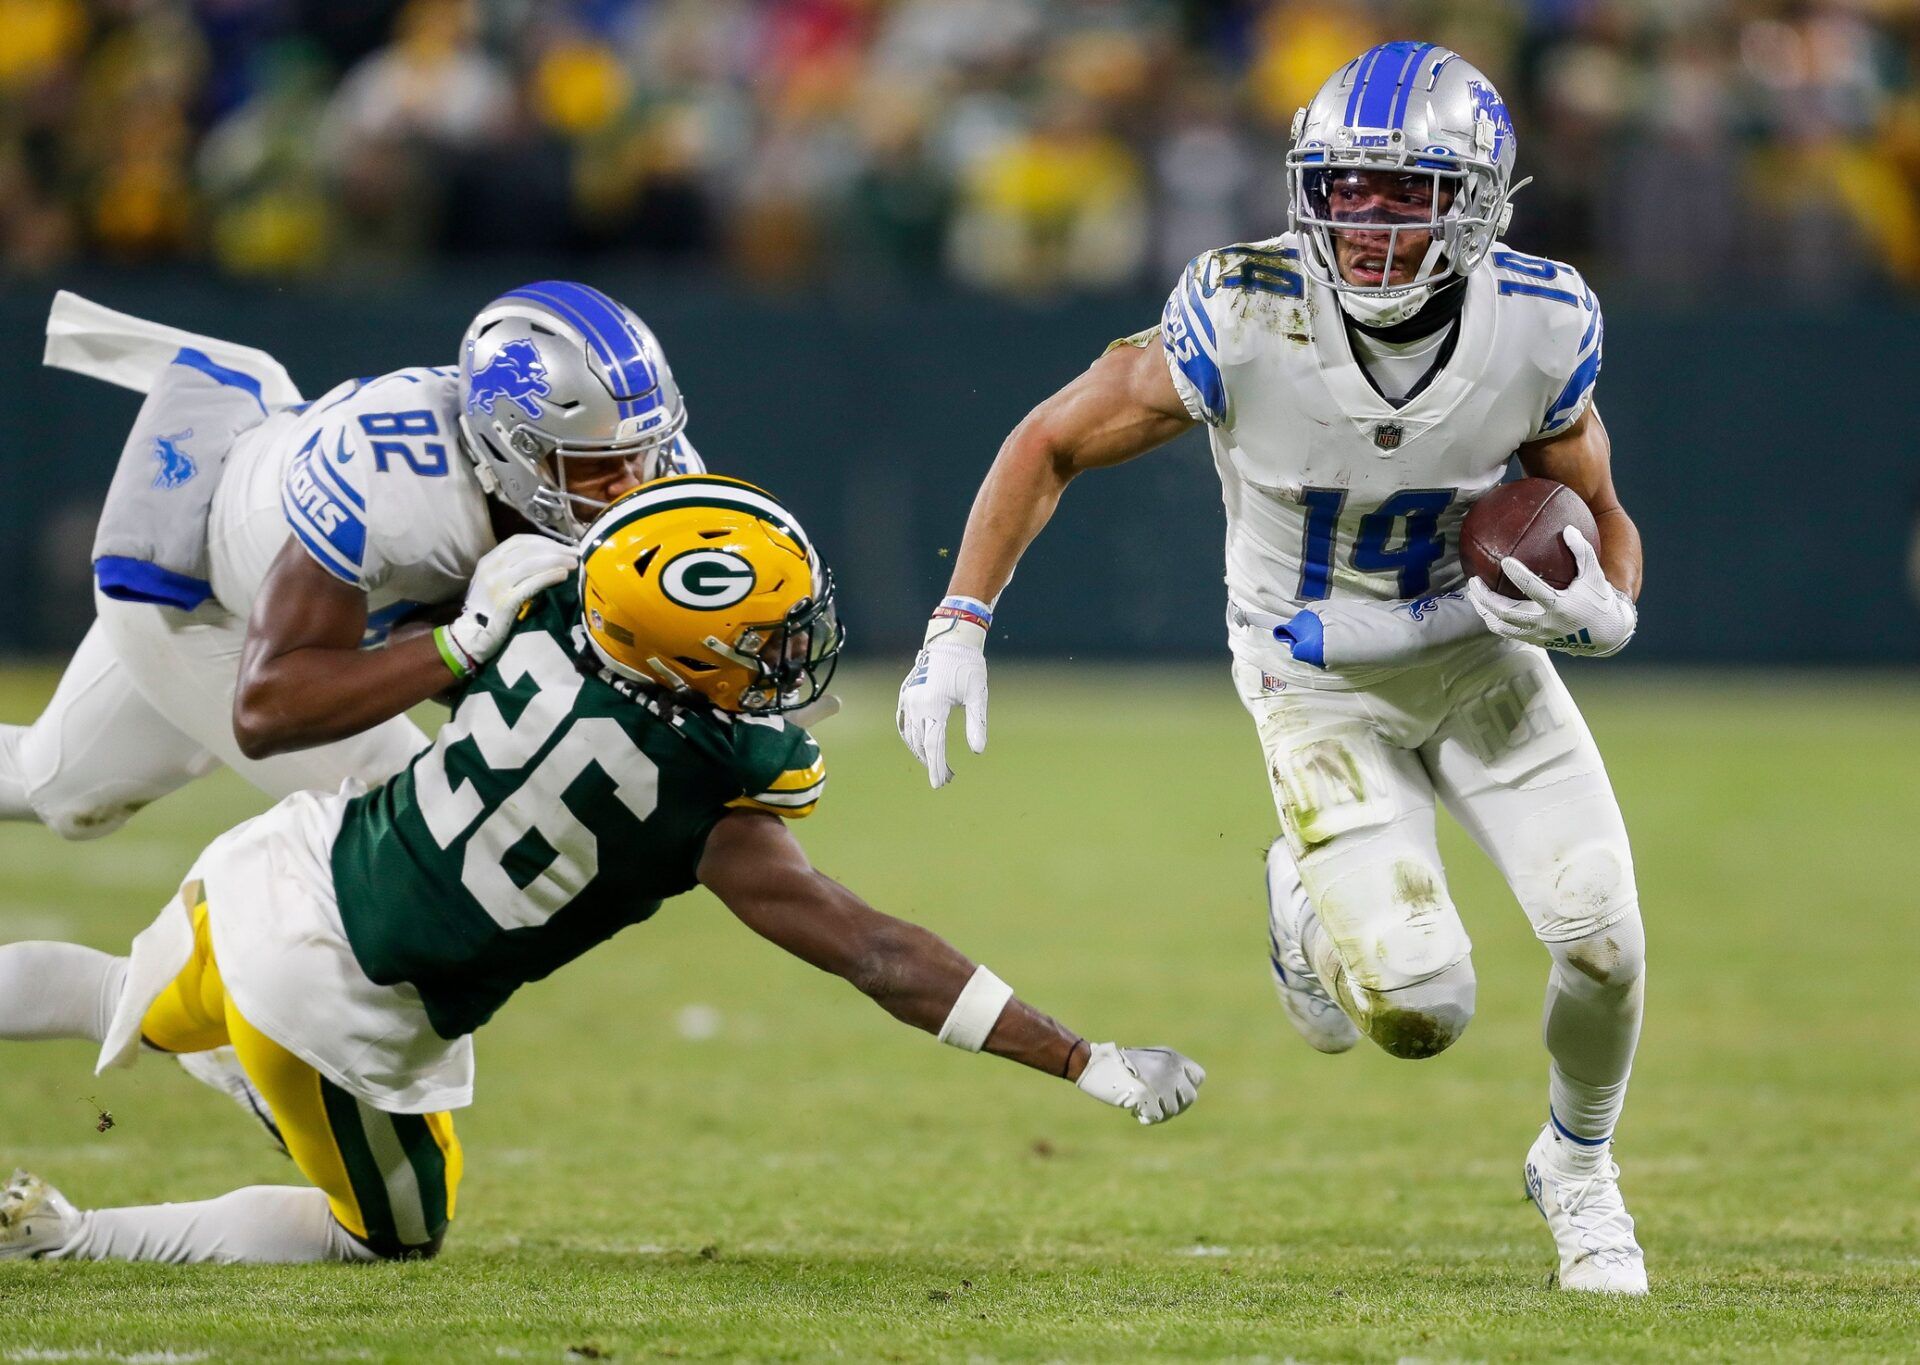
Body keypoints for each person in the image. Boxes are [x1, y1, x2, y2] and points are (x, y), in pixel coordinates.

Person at [0, 475, 1204, 1264]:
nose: (785, 662)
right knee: (388, 1238)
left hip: (276, 866)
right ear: (682, 654)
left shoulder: (549, 603)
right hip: (336, 1004)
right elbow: (876, 951)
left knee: (123, 995)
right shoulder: (705, 799)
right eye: (760, 647)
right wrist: (1077, 1056)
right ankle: (65, 1238)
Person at [895, 44, 1648, 1293]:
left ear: (1478, 203)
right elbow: (1053, 438)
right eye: (1344, 188)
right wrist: (960, 618)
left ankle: (1579, 1170)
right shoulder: (1243, 310)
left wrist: (1609, 605)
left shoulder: (1542, 318)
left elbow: (1597, 505)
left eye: (1405, 193)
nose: (1366, 222)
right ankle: (1297, 897)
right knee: (1421, 1012)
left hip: (1481, 662)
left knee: (1604, 942)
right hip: (1316, 684)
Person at [0, 281, 704, 843]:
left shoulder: (629, 467)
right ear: (512, 450)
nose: (633, 484)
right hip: (197, 592)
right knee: (418, 832)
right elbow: (267, 705)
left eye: (642, 452)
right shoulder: (393, 487)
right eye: (600, 464)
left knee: (56, 786)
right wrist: (460, 644)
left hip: (296, 555)